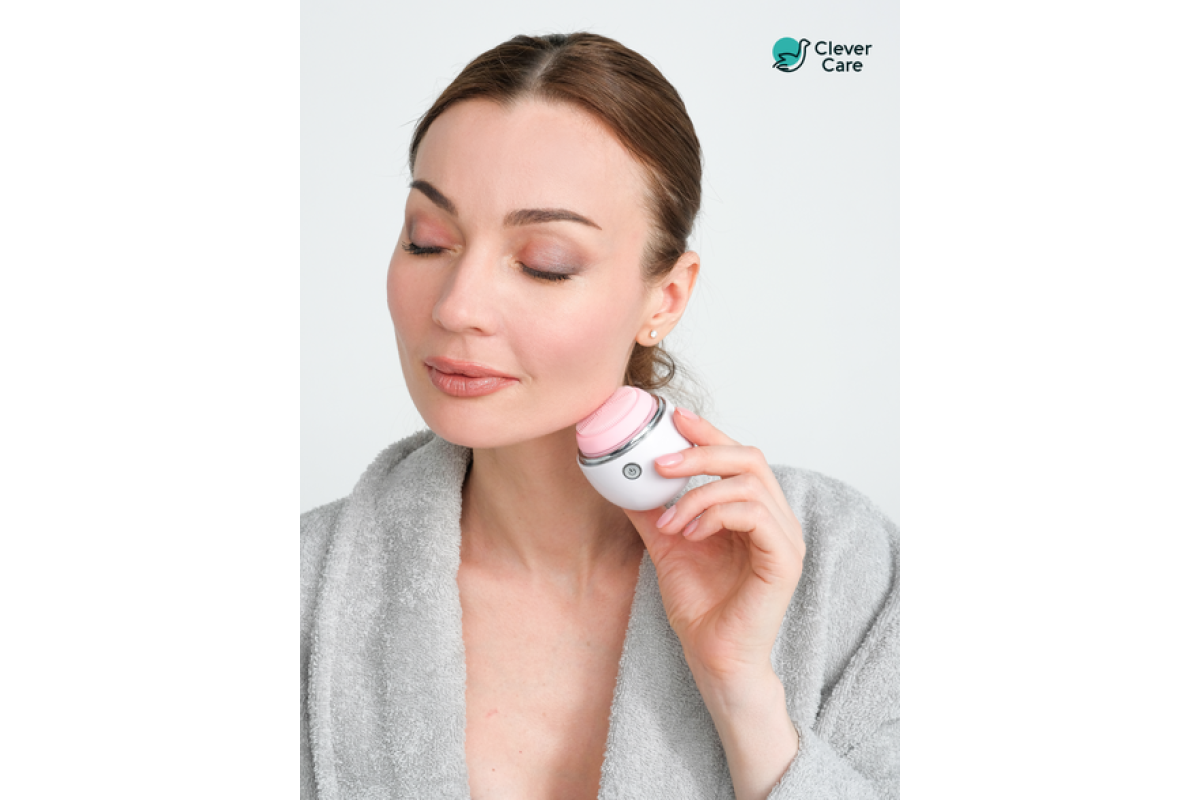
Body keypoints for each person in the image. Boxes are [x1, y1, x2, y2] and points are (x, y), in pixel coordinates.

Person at [301, 32, 899, 800]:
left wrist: (744, 694)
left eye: (544, 263)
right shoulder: (305, 588)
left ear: (665, 298)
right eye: (428, 242)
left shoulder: (839, 569)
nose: (457, 307)